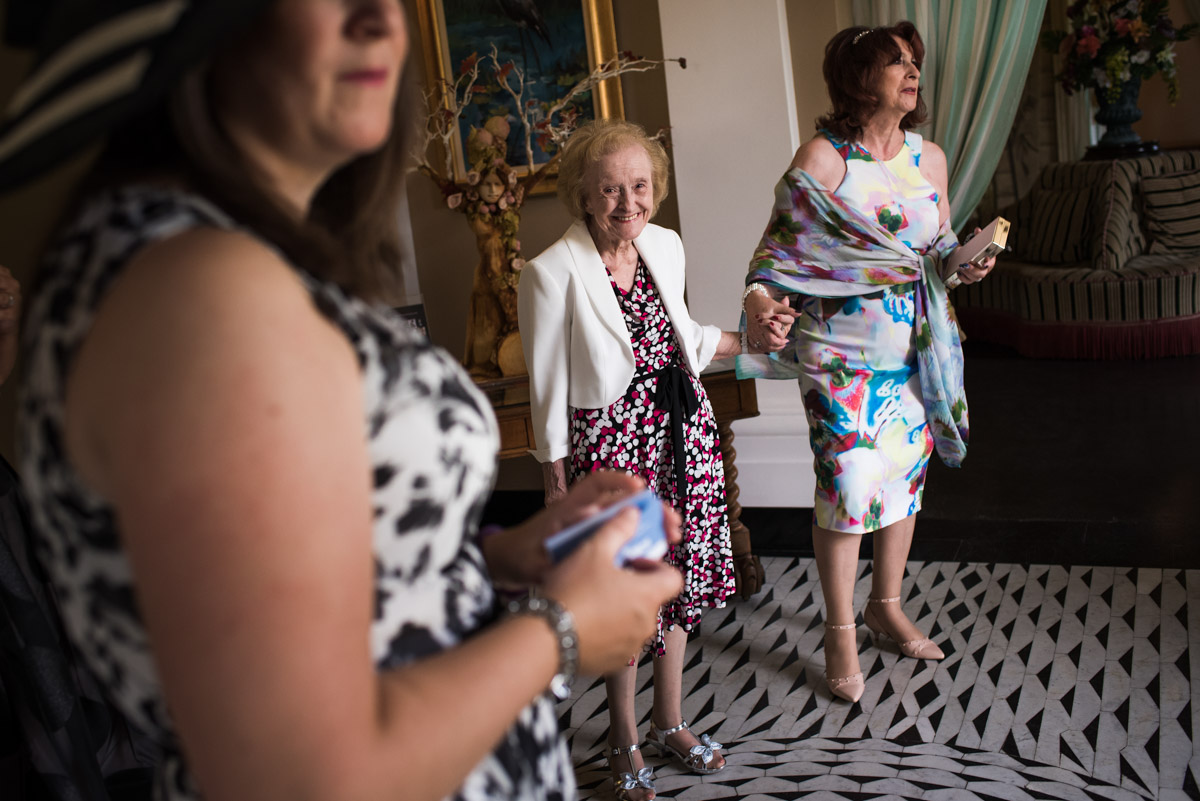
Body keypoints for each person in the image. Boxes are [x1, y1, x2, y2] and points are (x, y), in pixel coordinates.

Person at [0, 2, 685, 800]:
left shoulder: (219, 250)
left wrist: (498, 557)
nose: (378, 19)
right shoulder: (196, 290)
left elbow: (299, 595)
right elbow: (305, 769)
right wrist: (561, 629)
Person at [519, 120, 777, 800]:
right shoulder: (549, 272)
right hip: (612, 454)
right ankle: (623, 736)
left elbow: (681, 337)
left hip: (683, 438)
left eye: (639, 185)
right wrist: (555, 482)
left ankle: (670, 720)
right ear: (582, 194)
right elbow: (546, 386)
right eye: (610, 189)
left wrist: (750, 339)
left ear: (655, 189)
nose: (627, 201)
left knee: (679, 585)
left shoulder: (664, 244)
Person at [739, 22, 996, 704]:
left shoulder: (929, 158)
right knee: (849, 485)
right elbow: (772, 259)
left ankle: (886, 604)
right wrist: (762, 304)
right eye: (895, 63)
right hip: (840, 356)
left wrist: (966, 263)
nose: (912, 73)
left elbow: (937, 252)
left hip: (914, 350)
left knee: (903, 481)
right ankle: (840, 630)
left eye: (913, 62)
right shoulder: (825, 160)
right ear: (859, 78)